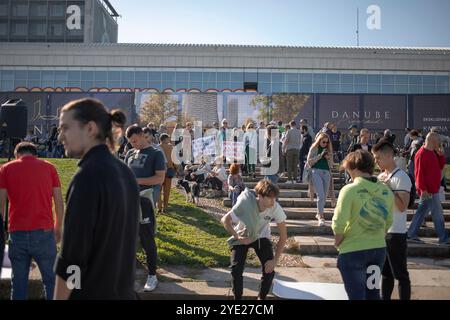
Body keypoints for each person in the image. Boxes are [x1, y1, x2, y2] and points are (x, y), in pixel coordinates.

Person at [54, 98, 140, 300]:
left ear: (90, 128)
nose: (60, 137)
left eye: (65, 128)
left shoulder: (87, 177)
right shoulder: (125, 174)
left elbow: (73, 260)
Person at [0, 142, 64, 300]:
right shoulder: (49, 167)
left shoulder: (6, 169)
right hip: (44, 232)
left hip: (17, 232)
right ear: (35, 154)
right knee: (51, 281)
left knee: (19, 283)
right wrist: (58, 227)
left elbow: (0, 203)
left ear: (17, 154)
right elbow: (58, 201)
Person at [332, 150, 394, 300]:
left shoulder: (349, 190)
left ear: (353, 167)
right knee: (373, 294)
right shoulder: (386, 190)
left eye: (347, 168)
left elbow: (338, 222)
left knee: (357, 295)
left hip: (353, 250)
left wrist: (338, 242)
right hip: (378, 249)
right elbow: (388, 221)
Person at [221, 180, 287, 300]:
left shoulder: (275, 207)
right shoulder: (246, 204)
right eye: (270, 198)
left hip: (261, 237)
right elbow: (225, 220)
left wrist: (275, 261)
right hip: (244, 236)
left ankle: (261, 298)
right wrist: (237, 237)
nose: (274, 201)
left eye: (275, 198)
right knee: (236, 269)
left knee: (269, 271)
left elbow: (283, 236)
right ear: (260, 196)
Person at [125, 125, 166, 292]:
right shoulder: (129, 153)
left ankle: (152, 275)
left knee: (147, 238)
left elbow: (160, 178)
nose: (133, 144)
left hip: (145, 202)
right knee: (127, 238)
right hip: (128, 201)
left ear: (142, 135)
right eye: (130, 142)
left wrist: (137, 181)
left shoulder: (156, 153)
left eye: (135, 140)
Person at [372, 140, 412, 300]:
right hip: (381, 232)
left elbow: (403, 207)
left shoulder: (402, 177)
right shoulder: (381, 176)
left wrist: (388, 188)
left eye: (378, 158)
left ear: (389, 156)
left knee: (400, 275)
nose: (376, 161)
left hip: (396, 233)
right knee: (386, 273)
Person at [407, 132, 450, 245]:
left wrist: (440, 155)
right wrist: (423, 189)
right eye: (438, 142)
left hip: (432, 189)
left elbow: (441, 166)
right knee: (438, 214)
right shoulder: (421, 153)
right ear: (433, 141)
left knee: (421, 213)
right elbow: (418, 174)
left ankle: (411, 234)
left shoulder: (432, 152)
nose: (440, 144)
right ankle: (443, 238)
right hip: (429, 190)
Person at [306, 132, 334, 226]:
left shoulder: (328, 149)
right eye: (323, 142)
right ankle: (321, 215)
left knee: (324, 195)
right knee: (320, 195)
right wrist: (320, 156)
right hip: (315, 172)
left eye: (327, 142)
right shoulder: (314, 148)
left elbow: (331, 165)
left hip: (326, 173)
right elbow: (309, 162)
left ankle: (319, 213)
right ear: (319, 141)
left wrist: (328, 158)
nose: (325, 144)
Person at [158, 133, 175, 214]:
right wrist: (176, 169)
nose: (169, 139)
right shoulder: (171, 147)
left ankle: (159, 206)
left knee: (158, 189)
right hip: (169, 169)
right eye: (168, 138)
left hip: (158, 170)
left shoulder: (156, 147)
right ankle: (165, 207)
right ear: (165, 139)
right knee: (167, 190)